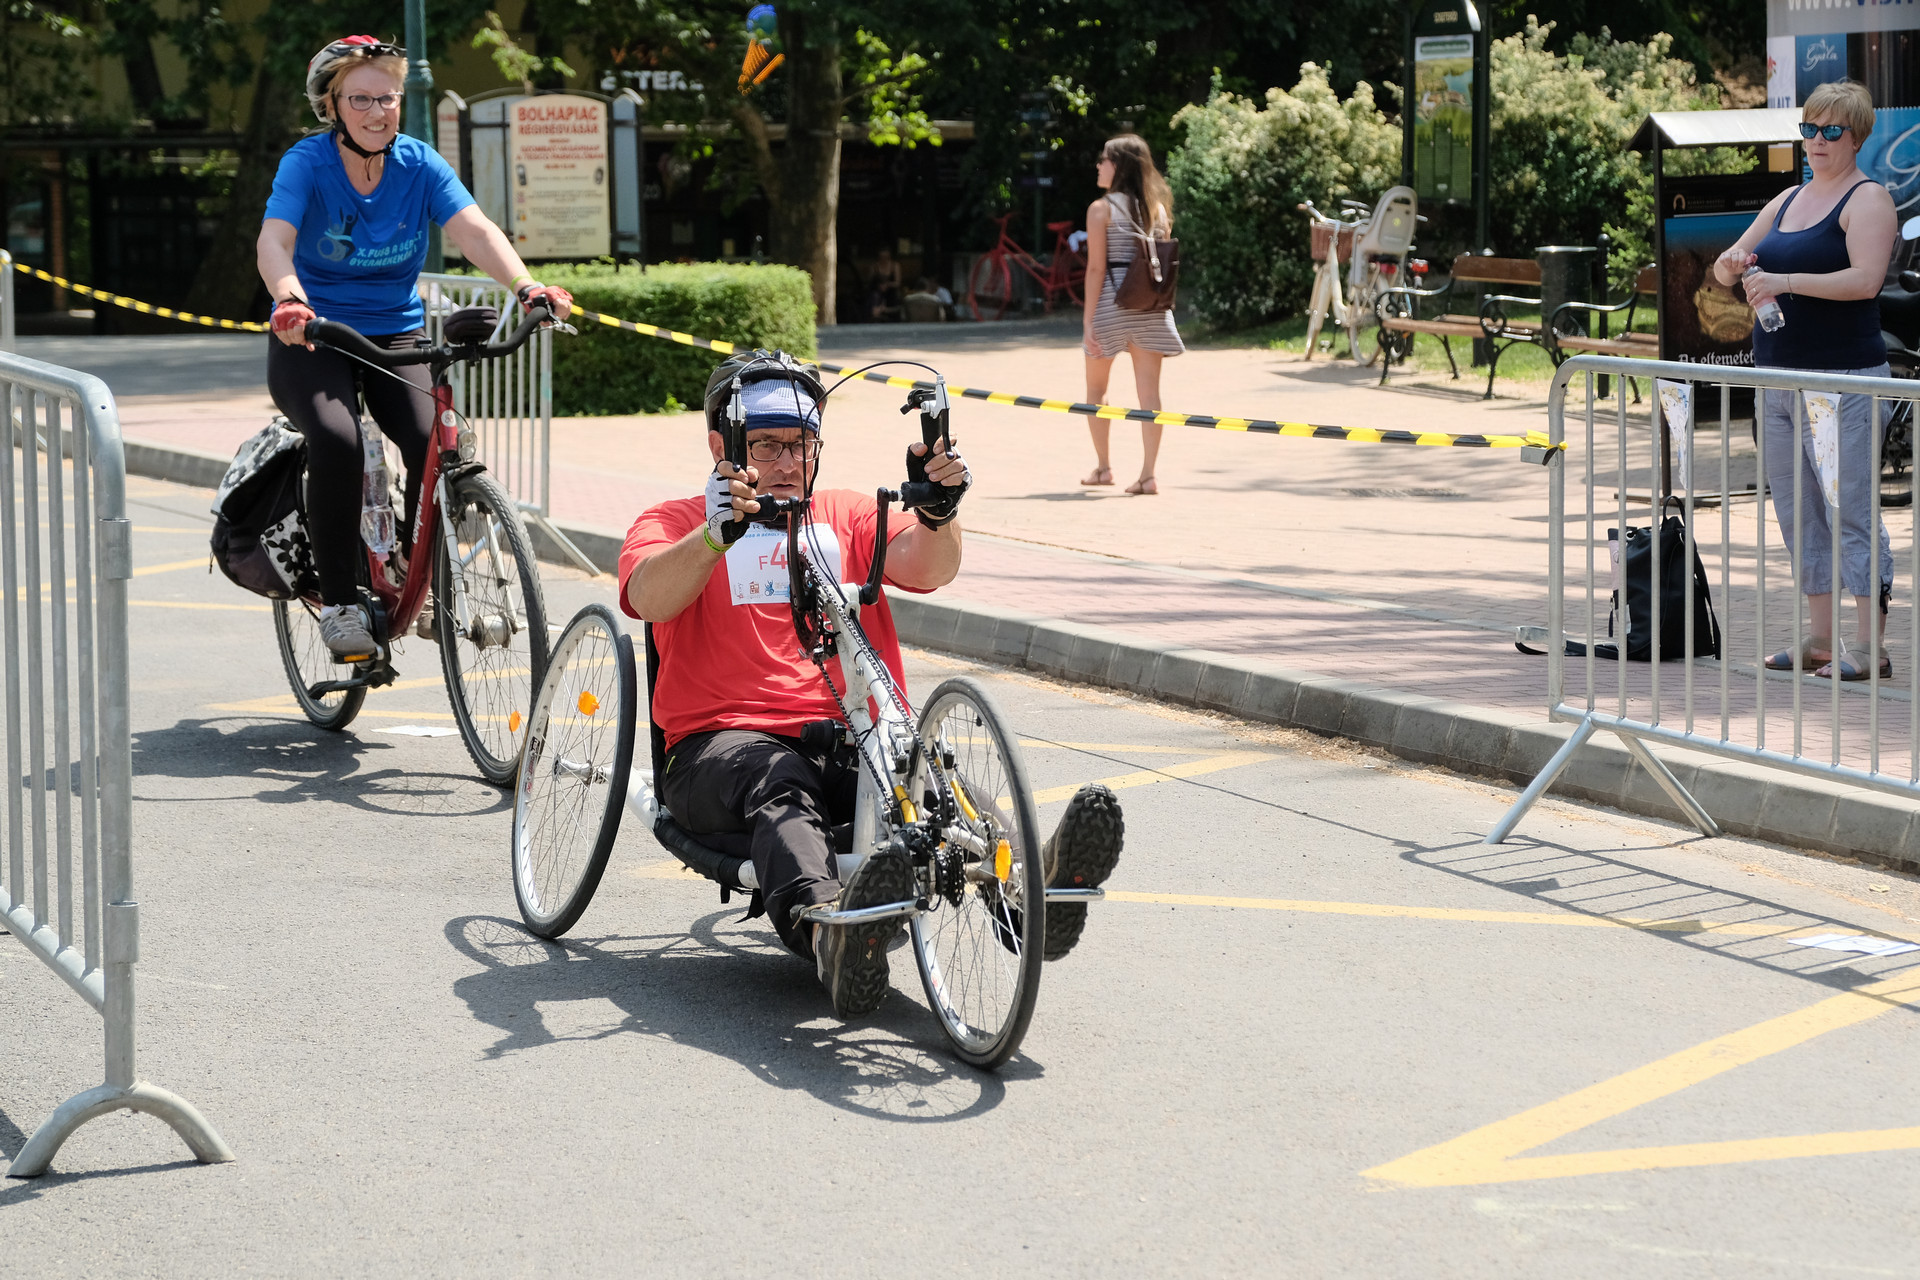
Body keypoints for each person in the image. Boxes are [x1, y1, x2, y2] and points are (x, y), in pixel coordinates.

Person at [619, 352, 1123, 1018]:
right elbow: (647, 595)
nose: (788, 462)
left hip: (856, 737)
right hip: (724, 751)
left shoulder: (844, 513)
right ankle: (830, 935)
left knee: (929, 780)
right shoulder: (672, 520)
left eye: (802, 444)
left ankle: (1031, 893)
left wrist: (939, 512)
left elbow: (928, 566)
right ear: (722, 446)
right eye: (767, 445)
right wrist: (712, 536)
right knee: (778, 780)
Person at [256, 35, 572, 659]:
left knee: (436, 442)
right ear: (332, 105)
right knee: (339, 442)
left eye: (389, 98)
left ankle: (409, 566)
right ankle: (341, 602)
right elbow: (274, 240)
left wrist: (527, 287)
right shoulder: (307, 163)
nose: (378, 112)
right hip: (315, 333)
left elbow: (474, 230)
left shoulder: (418, 164)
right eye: (361, 99)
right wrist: (290, 298)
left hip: (395, 330)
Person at [1712, 79, 1897, 681]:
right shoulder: (1787, 199)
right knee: (1799, 512)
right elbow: (1724, 268)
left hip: (1844, 381)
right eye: (1809, 129)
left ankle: (1869, 647)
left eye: (1830, 131)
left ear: (1856, 137)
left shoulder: (1868, 199)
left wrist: (1785, 282)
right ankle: (1820, 638)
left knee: (1852, 512)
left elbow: (1865, 280)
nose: (1817, 140)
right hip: (1778, 381)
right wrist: (1732, 264)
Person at [1081, 134, 1184, 495]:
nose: (1099, 165)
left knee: (1096, 390)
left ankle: (1103, 468)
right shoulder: (1159, 211)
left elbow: (1096, 269)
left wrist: (1088, 321)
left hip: (1111, 306)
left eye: (1104, 159)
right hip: (1151, 309)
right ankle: (1148, 475)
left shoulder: (1101, 209)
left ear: (1119, 165)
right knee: (1150, 394)